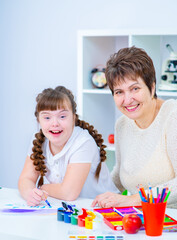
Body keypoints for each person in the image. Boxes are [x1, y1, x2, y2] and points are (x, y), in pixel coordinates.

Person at [92, 46, 177, 208]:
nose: (128, 99)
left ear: (152, 87)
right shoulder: (122, 125)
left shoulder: (173, 116)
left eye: (135, 88)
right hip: (139, 219)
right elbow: (120, 175)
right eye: (119, 92)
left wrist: (132, 200)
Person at [18, 86, 118, 206]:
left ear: (73, 118)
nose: (55, 123)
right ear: (39, 120)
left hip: (103, 208)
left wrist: (42, 187)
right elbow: (26, 179)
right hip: (71, 208)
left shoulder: (83, 142)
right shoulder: (38, 140)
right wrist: (30, 193)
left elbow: (68, 193)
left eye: (62, 116)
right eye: (47, 117)